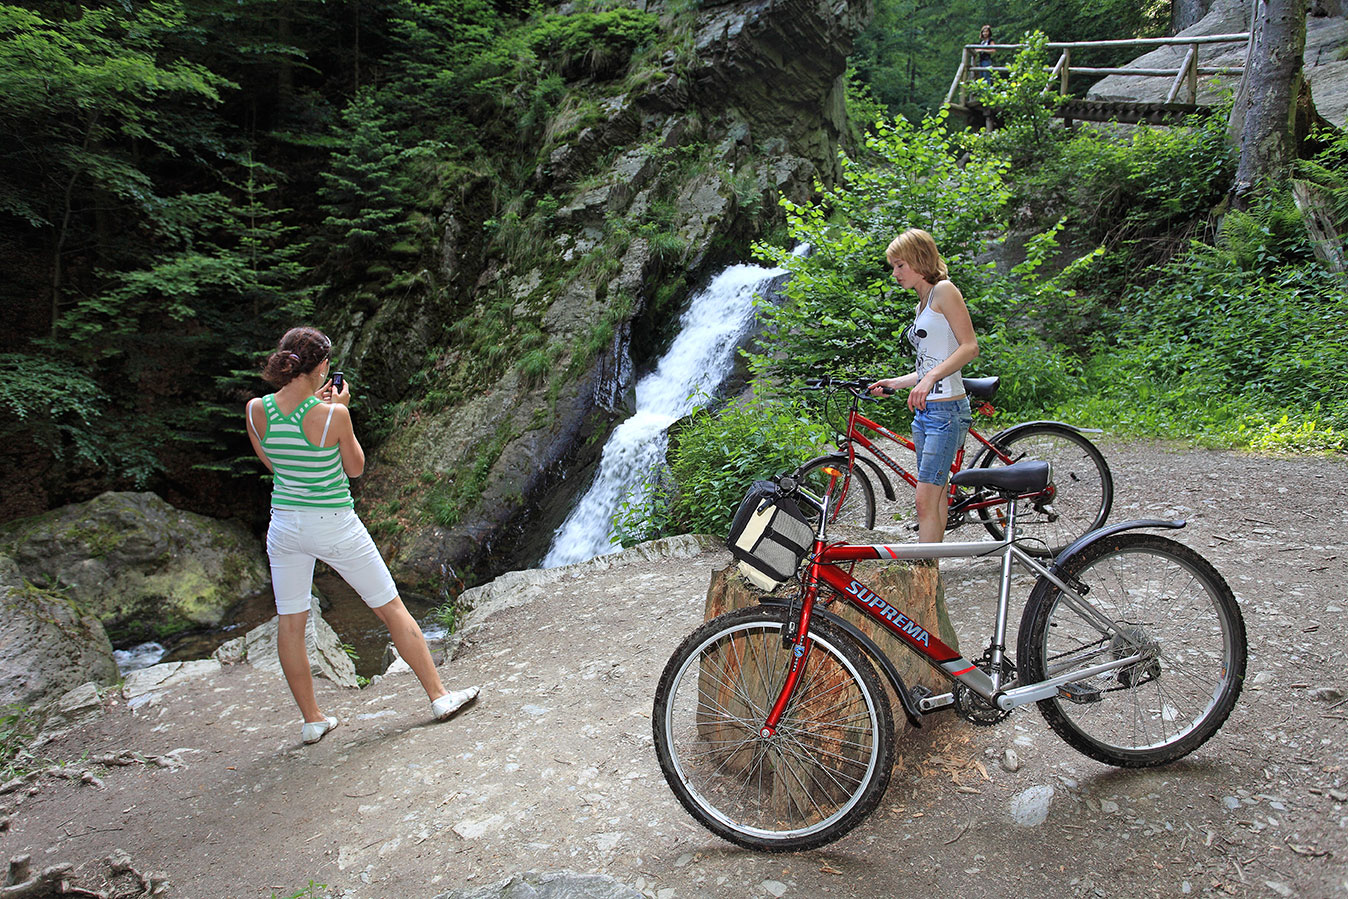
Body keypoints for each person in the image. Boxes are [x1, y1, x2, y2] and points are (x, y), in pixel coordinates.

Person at [246, 326, 479, 744]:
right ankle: (440, 696)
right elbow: (354, 468)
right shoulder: (334, 414)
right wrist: (340, 412)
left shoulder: (255, 410)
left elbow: (274, 462)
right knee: (390, 608)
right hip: (334, 522)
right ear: (322, 368)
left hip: (284, 524)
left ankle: (313, 720)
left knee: (292, 622)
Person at [868, 230, 979, 544]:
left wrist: (929, 379)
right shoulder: (923, 304)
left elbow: (970, 347)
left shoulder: (945, 291)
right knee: (936, 496)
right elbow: (930, 365)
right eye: (894, 266)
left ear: (919, 260)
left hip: (946, 411)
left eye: (900, 265)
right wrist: (898, 382)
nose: (895, 273)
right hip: (926, 412)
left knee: (924, 499)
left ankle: (924, 577)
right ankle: (932, 575)